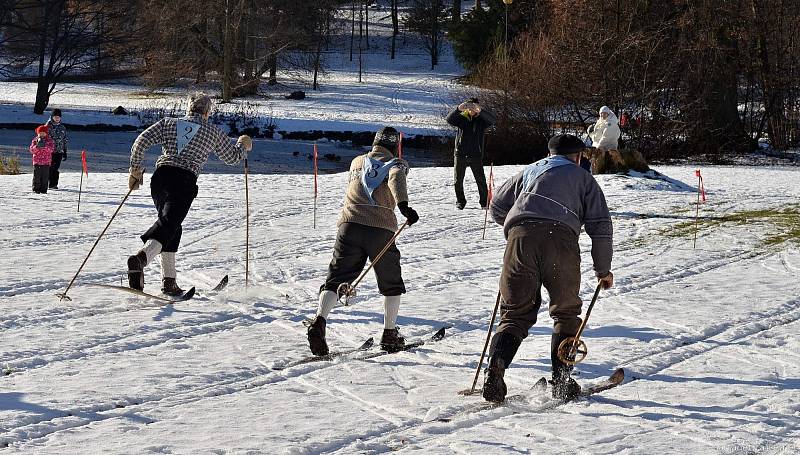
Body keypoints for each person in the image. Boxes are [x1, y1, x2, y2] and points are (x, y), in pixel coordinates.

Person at [483, 134, 614, 403]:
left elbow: (496, 207)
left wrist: (518, 232)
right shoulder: (583, 178)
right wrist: (603, 269)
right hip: (560, 241)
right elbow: (600, 227)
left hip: (519, 239)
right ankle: (562, 382)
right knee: (565, 312)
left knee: (514, 314)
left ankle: (496, 368)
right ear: (578, 156)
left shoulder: (530, 170)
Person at [307, 126, 419, 355]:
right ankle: (389, 333)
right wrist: (404, 206)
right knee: (391, 281)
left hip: (348, 225)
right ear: (395, 146)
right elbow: (396, 178)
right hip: (380, 227)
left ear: (375, 142)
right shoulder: (397, 163)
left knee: (336, 278)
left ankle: (319, 321)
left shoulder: (357, 161)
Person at [126, 93, 252, 295]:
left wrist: (136, 170)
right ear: (207, 112)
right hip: (183, 181)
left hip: (159, 179)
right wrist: (243, 145)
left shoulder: (168, 123)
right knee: (168, 224)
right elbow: (232, 158)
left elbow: (141, 141)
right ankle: (140, 259)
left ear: (188, 108)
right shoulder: (212, 131)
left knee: (170, 225)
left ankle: (169, 281)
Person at [446, 98, 496, 210]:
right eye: (469, 107)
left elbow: (492, 120)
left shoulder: (482, 120)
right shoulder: (461, 118)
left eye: (473, 107)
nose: (471, 109)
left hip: (475, 154)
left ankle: (484, 202)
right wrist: (458, 109)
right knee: (458, 180)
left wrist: (481, 111)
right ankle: (460, 201)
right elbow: (449, 120)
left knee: (480, 180)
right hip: (460, 153)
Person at [46, 108, 69, 189]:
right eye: (55, 117)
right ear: (52, 117)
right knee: (50, 167)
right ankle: (47, 182)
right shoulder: (48, 127)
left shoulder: (62, 127)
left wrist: (65, 151)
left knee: (56, 168)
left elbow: (65, 140)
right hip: (49, 151)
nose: (57, 118)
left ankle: (53, 184)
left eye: (58, 117)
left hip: (59, 151)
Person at [29, 125, 55, 194]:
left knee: (45, 177)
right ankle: (36, 189)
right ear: (38, 133)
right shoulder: (35, 140)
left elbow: (51, 150)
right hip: (37, 162)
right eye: (40, 133)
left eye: (43, 133)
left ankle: (43, 190)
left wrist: (45, 146)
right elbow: (31, 150)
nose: (42, 134)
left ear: (46, 133)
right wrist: (37, 146)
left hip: (46, 162)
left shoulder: (49, 140)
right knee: (37, 176)